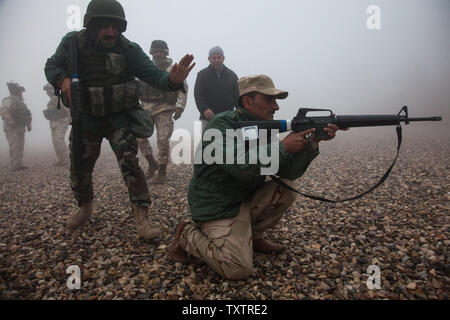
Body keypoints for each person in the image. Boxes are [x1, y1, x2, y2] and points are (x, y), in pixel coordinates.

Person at [44, 0, 195, 240]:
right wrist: (62, 79)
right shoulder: (73, 44)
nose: (111, 32)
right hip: (87, 119)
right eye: (105, 26)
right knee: (79, 166)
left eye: (116, 27)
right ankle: (84, 207)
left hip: (119, 118)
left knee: (130, 165)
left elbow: (154, 75)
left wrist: (173, 81)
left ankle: (142, 216)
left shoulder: (128, 50)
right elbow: (52, 65)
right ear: (92, 26)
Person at [169, 74, 343, 280]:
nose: (276, 107)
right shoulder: (221, 125)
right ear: (247, 101)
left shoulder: (263, 127)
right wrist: (282, 146)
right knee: (238, 268)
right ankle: (186, 235)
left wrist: (313, 142)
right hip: (217, 208)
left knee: (285, 187)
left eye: (275, 101)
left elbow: (289, 172)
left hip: (242, 199)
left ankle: (253, 235)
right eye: (269, 100)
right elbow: (240, 166)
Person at [138, 40, 188, 184]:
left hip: (164, 107)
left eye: (161, 51)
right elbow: (135, 86)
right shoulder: (144, 68)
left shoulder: (173, 69)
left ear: (165, 52)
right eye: (156, 51)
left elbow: (182, 90)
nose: (158, 54)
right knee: (139, 136)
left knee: (162, 139)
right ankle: (151, 162)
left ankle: (162, 172)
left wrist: (180, 107)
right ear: (151, 52)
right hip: (146, 106)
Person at [194, 46, 239, 131]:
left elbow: (237, 96)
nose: (216, 60)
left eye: (219, 57)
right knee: (207, 143)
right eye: (214, 58)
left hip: (228, 118)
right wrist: (204, 109)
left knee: (228, 143)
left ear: (223, 58)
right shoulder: (202, 75)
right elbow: (198, 95)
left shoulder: (232, 75)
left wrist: (240, 114)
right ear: (209, 59)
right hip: (207, 118)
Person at [0, 82, 32, 172]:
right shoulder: (8, 100)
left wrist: (29, 125)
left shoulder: (21, 102)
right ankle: (14, 166)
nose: (21, 93)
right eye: (20, 91)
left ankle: (19, 164)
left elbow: (27, 114)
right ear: (15, 91)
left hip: (20, 127)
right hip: (11, 128)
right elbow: (3, 111)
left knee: (20, 145)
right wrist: (11, 121)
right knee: (14, 145)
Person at [43, 83, 71, 166]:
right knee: (55, 142)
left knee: (59, 140)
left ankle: (66, 160)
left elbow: (67, 109)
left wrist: (70, 120)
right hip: (53, 122)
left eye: (49, 89)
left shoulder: (59, 98)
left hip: (61, 121)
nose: (48, 92)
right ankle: (61, 159)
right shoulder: (51, 100)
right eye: (47, 90)